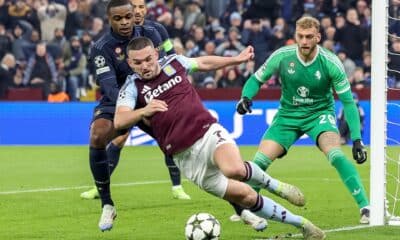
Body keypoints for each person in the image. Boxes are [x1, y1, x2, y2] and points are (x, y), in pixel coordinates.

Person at [112, 36, 326, 240]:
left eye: (149, 59)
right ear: (130, 63)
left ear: (156, 54)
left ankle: (276, 186)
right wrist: (143, 111)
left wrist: (236, 59)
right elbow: (119, 121)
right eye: (138, 62)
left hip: (207, 133)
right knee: (248, 197)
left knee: (234, 169)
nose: (145, 66)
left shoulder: (174, 62)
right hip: (185, 158)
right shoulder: (132, 88)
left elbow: (204, 62)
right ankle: (302, 224)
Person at [235, 16, 370, 224]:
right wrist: (246, 97)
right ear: (295, 36)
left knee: (335, 155)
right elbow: (256, 79)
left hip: (319, 114)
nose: (304, 41)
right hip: (288, 115)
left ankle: (365, 207)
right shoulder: (282, 56)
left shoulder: (331, 62)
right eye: (300, 36)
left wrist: (357, 139)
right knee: (260, 161)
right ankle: (244, 208)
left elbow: (349, 103)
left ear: (318, 37)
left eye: (309, 37)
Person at [83, 0, 190, 227]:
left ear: (135, 16)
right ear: (109, 19)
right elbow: (110, 87)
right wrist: (135, 110)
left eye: (127, 17)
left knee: (181, 144)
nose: (124, 22)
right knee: (97, 134)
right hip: (119, 102)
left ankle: (238, 205)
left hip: (154, 94)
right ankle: (107, 204)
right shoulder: (102, 48)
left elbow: (169, 65)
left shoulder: (153, 32)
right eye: (118, 18)